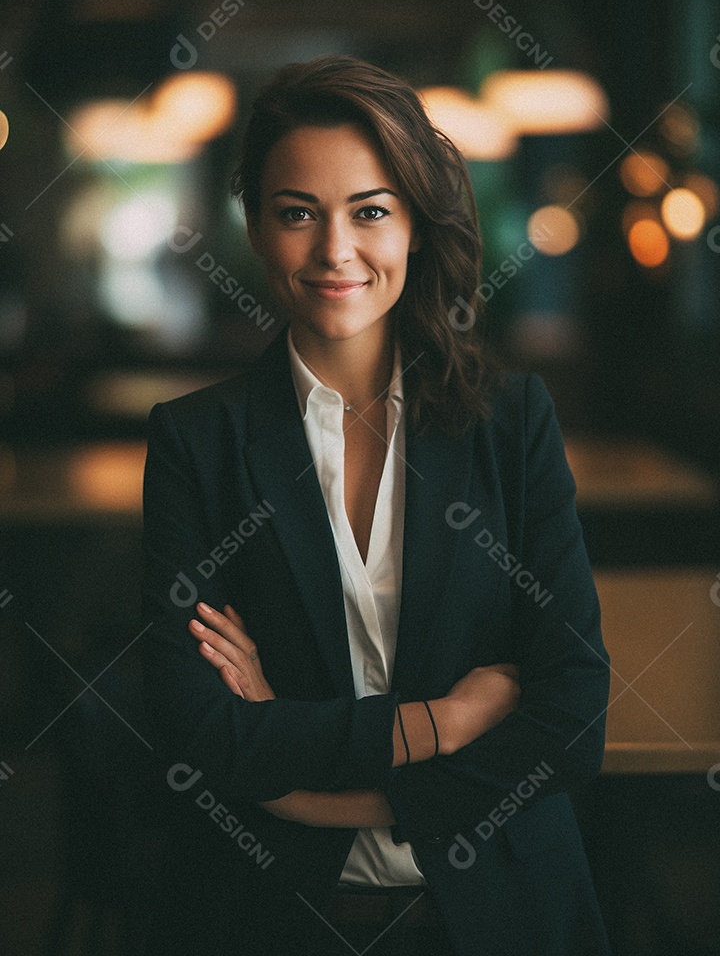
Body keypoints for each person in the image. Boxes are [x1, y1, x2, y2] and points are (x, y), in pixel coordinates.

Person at [141, 54, 612, 956]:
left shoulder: (510, 424)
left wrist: (311, 783)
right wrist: (446, 723)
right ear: (253, 225)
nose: (334, 251)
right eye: (296, 214)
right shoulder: (196, 442)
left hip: (505, 916)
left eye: (370, 211)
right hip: (278, 920)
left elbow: (572, 718)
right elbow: (200, 730)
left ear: (416, 229)